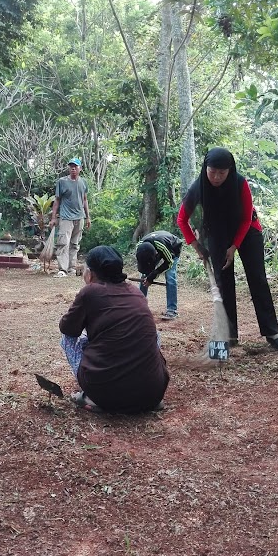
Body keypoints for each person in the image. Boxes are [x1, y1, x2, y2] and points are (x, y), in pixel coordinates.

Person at [177, 147, 278, 351]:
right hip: (218, 234)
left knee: (257, 279)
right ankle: (229, 336)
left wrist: (235, 246)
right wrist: (196, 246)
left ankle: (272, 333)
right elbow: (182, 219)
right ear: (205, 168)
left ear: (230, 170)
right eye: (212, 171)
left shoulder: (240, 183)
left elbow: (247, 218)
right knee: (224, 284)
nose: (216, 177)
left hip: (247, 231)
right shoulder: (198, 187)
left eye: (222, 173)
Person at [59, 245, 169, 414]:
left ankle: (91, 397)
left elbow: (67, 329)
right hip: (153, 393)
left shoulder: (89, 292)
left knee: (67, 338)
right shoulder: (136, 292)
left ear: (90, 273)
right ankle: (141, 393)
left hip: (104, 394)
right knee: (153, 334)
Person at [50, 157, 91, 278]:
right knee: (63, 243)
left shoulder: (83, 182)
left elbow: (84, 200)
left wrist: (88, 217)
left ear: (80, 168)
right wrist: (53, 218)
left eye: (76, 166)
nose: (73, 168)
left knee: (75, 244)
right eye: (71, 166)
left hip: (80, 217)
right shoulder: (62, 182)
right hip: (66, 217)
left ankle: (71, 268)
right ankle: (62, 269)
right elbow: (57, 200)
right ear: (69, 168)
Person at [136, 231, 183, 320]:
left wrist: (152, 276)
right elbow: (142, 265)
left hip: (173, 248)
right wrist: (147, 276)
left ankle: (172, 310)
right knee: (143, 276)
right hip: (155, 249)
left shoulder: (162, 247)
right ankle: (140, 306)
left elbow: (169, 262)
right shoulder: (139, 247)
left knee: (170, 277)